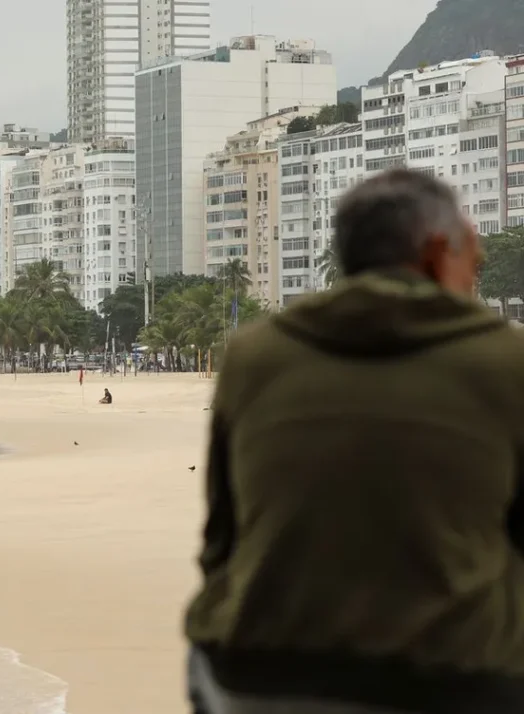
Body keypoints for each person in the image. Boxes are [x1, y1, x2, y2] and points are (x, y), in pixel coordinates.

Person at [184, 169, 524, 714]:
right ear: (438, 253)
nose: (474, 283)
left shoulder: (253, 354)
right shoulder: (507, 361)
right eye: (474, 265)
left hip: (260, 676)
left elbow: (221, 540)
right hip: (455, 681)